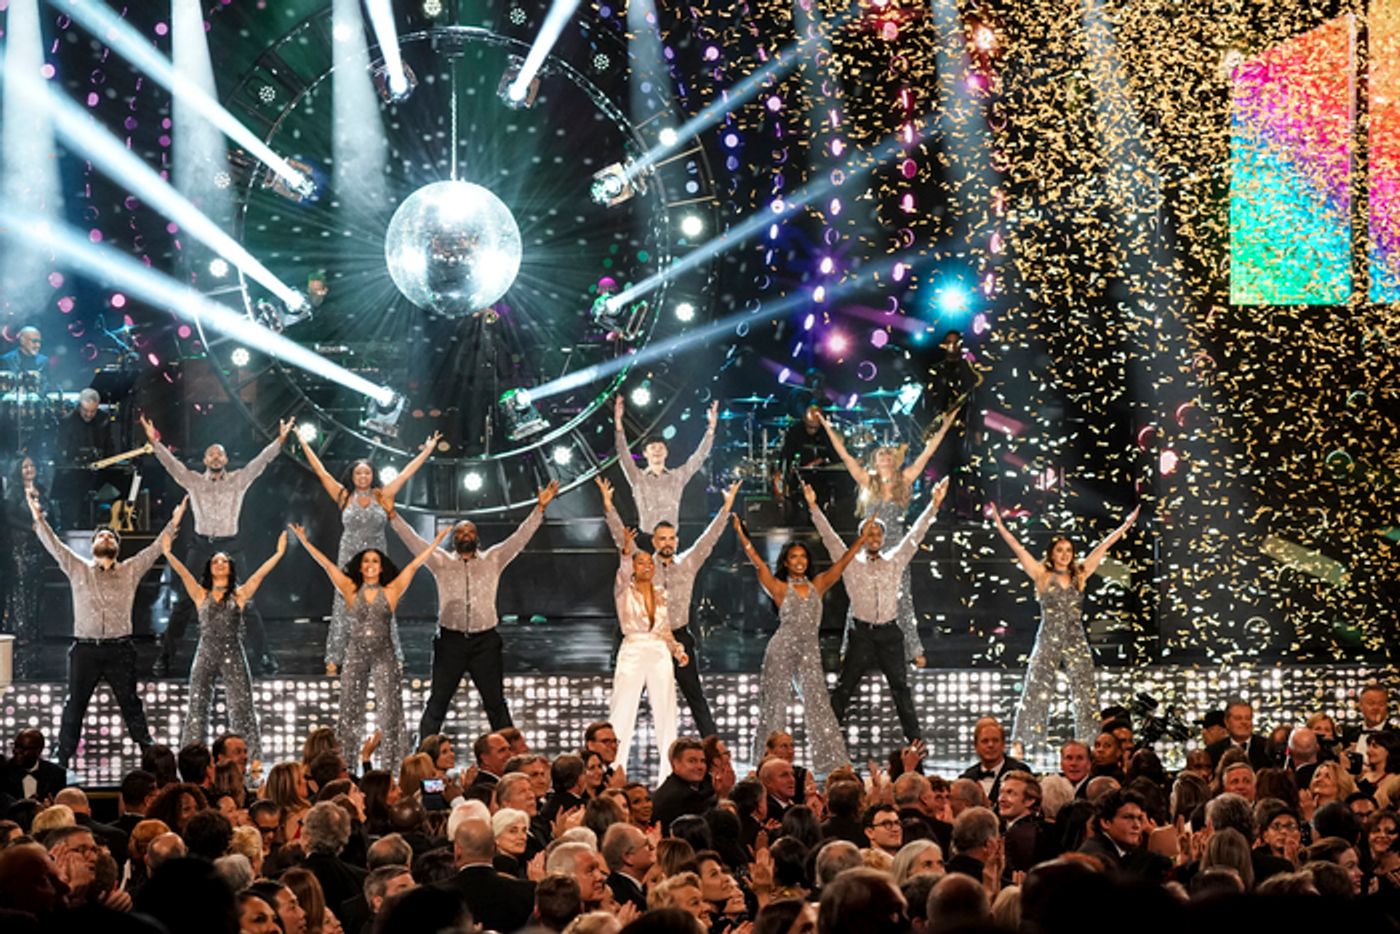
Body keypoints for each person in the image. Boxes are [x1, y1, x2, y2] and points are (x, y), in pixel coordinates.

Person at [29, 487, 187, 766]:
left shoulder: (130, 569)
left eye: (110, 536)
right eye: (101, 536)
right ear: (92, 546)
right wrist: (37, 514)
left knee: (131, 703)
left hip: (120, 649)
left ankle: (149, 753)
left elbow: (156, 548)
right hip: (85, 650)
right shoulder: (77, 567)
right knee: (74, 705)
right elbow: (52, 543)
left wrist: (175, 520)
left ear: (117, 546)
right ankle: (62, 756)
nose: (106, 538)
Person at [389, 479, 558, 737]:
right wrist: (392, 515)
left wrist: (540, 509)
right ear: (454, 539)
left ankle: (510, 755)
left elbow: (519, 538)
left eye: (469, 532)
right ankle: (423, 753)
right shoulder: (441, 561)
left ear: (476, 538)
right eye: (460, 533)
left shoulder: (494, 558)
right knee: (437, 703)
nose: (465, 535)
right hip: (450, 642)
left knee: (496, 704)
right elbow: (414, 541)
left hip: (485, 643)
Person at [290, 520, 450, 770]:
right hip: (356, 653)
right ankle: (346, 766)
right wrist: (305, 541)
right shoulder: (350, 588)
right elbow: (327, 565)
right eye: (366, 561)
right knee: (349, 711)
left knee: (390, 711)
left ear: (381, 566)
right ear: (361, 566)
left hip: (384, 653)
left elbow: (415, 564)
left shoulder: (392, 590)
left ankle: (392, 767)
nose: (370, 565)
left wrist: (436, 542)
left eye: (375, 561)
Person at [142, 414, 293, 676]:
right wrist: (154, 442)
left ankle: (264, 656)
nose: (215, 457)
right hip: (201, 545)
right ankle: (165, 658)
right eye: (211, 454)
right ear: (204, 460)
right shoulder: (194, 480)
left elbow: (260, 462)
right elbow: (171, 465)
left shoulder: (238, 480)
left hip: (230, 545)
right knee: (184, 603)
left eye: (219, 454)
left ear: (225, 460)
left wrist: (279, 441)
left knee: (247, 602)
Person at [990, 502, 1139, 755]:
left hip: (1075, 638)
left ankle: (1090, 743)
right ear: (1051, 553)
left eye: (1069, 550)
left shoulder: (1080, 574)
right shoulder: (1041, 574)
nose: (1065, 554)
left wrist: (1125, 526)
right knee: (1036, 687)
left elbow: (1102, 547)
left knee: (1085, 690)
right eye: (1060, 550)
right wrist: (1000, 524)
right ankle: (1020, 742)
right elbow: (1017, 547)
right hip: (1048, 637)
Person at [598, 476, 739, 739]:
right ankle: (610, 746)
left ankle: (713, 748)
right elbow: (622, 540)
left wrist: (726, 507)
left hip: (679, 637)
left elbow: (709, 538)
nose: (667, 543)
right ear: (654, 542)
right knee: (626, 701)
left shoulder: (688, 562)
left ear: (677, 541)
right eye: (662, 538)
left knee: (696, 697)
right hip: (647, 640)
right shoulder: (643, 564)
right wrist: (608, 506)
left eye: (671, 538)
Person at [808, 479, 947, 744]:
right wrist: (813, 506)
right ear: (861, 537)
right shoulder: (851, 563)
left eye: (877, 534)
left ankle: (915, 742)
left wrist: (934, 504)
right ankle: (826, 741)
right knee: (844, 688)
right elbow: (829, 536)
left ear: (883, 538)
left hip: (889, 633)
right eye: (868, 533)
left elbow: (915, 535)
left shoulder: (894, 560)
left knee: (901, 688)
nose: (873, 538)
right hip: (861, 634)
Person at [732, 514, 871, 776]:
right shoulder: (779, 588)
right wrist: (741, 534)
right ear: (785, 562)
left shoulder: (818, 584)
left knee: (819, 704)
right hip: (781, 649)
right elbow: (758, 562)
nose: (799, 561)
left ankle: (833, 763)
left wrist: (860, 541)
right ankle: (767, 761)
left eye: (803, 557)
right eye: (793, 557)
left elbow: (842, 564)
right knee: (775, 704)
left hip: (809, 651)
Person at [817, 407, 956, 668]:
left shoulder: (905, 479)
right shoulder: (866, 481)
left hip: (896, 546)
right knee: (860, 596)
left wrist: (945, 426)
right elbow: (845, 455)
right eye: (881, 453)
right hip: (869, 544)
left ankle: (913, 649)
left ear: (894, 460)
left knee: (903, 597)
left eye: (889, 453)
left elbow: (927, 453)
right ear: (874, 460)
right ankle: (849, 647)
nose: (886, 456)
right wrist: (827, 427)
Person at [296, 428, 439, 676]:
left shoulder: (382, 495)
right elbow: (321, 471)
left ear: (373, 476)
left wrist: (427, 451)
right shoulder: (343, 496)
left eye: (367, 472)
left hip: (377, 554)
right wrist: (302, 441)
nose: (363, 476)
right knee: (343, 603)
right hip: (349, 554)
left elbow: (406, 473)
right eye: (358, 473)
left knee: (382, 602)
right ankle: (334, 658)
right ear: (352, 476)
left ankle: (393, 655)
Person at [162, 529, 287, 761]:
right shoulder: (200, 594)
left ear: (231, 568)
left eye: (224, 561)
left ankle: (251, 757)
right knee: (197, 707)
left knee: (242, 708)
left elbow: (259, 575)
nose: (219, 564)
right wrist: (168, 553)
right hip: (205, 653)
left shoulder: (239, 595)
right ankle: (192, 759)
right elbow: (183, 573)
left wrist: (279, 553)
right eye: (215, 561)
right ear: (209, 568)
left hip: (233, 654)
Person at [608, 525, 690, 779]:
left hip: (658, 652)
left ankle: (669, 774)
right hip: (633, 649)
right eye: (641, 563)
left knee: (666, 710)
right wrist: (625, 552)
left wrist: (677, 651)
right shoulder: (624, 590)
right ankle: (613, 769)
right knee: (622, 709)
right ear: (633, 567)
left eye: (649, 563)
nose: (647, 566)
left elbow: (664, 629)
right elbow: (622, 573)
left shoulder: (661, 594)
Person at [613, 394, 718, 532]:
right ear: (645, 453)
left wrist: (711, 428)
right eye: (653, 448)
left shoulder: (677, 477)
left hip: (670, 539)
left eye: (661, 448)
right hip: (646, 537)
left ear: (666, 453)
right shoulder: (638, 477)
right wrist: (618, 422)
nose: (657, 451)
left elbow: (698, 458)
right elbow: (623, 454)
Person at [3, 455, 51, 678]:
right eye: (25, 467)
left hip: (37, 546)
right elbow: (9, 517)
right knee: (21, 590)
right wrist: (29, 527)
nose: (30, 469)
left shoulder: (41, 489)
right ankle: (21, 632)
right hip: (20, 547)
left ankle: (34, 631)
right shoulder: (13, 491)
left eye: (32, 465)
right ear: (18, 470)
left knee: (36, 589)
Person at [773, 404, 841, 520]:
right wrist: (782, 475)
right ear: (804, 420)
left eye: (815, 427)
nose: (812, 430)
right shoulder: (795, 432)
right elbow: (786, 456)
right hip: (799, 476)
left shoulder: (826, 433)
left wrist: (820, 460)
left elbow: (834, 456)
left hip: (822, 476)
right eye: (810, 426)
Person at [57, 388, 116, 464]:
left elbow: (110, 448)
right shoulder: (67, 421)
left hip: (100, 466)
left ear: (97, 406)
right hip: (73, 466)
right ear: (79, 406)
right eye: (85, 410)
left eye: (93, 411)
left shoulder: (103, 419)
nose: (89, 415)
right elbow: (60, 451)